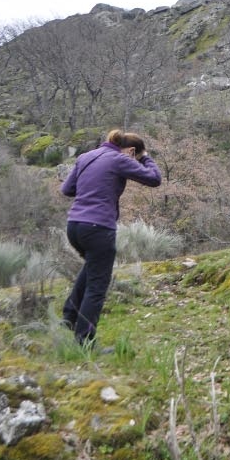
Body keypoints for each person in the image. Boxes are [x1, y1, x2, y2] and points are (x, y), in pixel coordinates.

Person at [61, 129, 162, 345]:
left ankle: (69, 318)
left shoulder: (85, 157)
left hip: (74, 226)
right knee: (97, 286)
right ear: (131, 151)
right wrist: (145, 157)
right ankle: (84, 341)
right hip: (98, 227)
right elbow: (154, 179)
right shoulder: (119, 159)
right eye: (136, 155)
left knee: (91, 268)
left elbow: (67, 189)